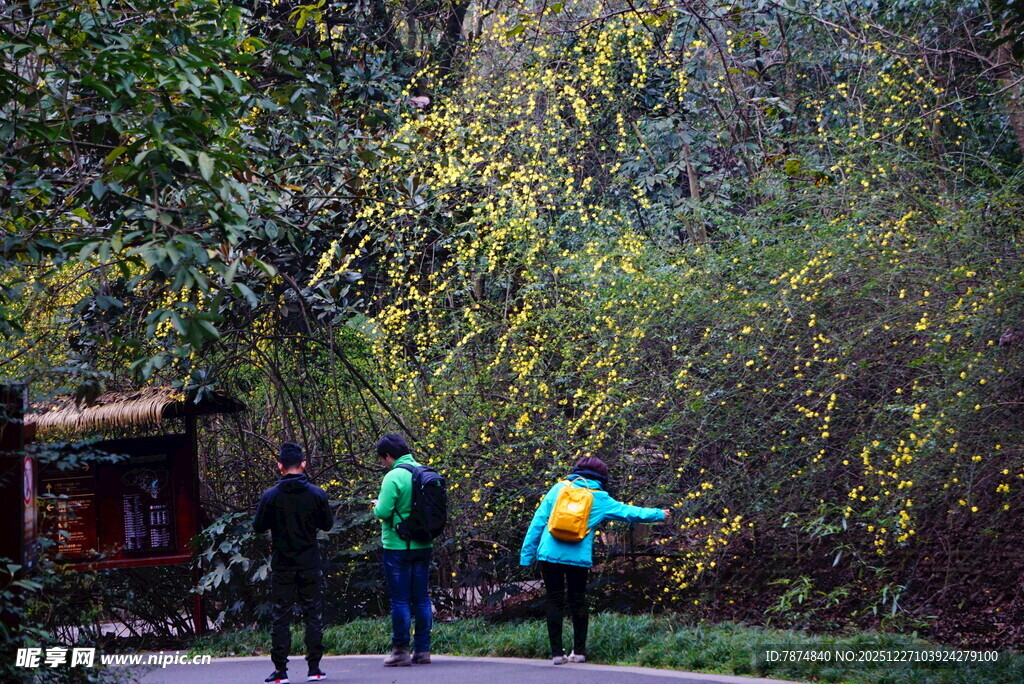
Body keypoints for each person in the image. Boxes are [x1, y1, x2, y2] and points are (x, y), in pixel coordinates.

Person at [520, 456, 671, 665]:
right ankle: (579, 652)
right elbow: (629, 512)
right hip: (577, 558)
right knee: (578, 601)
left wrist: (527, 556)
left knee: (554, 600)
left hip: (549, 555)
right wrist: (659, 514)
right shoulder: (599, 498)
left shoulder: (558, 489)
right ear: (602, 477)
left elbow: (538, 521)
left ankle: (556, 653)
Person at [254, 442, 333, 684]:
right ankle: (314, 668)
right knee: (313, 615)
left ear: (279, 466)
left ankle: (280, 670)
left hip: (282, 564)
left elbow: (258, 527)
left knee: (281, 616)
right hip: (309, 562)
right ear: (303, 464)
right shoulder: (317, 494)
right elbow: (327, 524)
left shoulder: (270, 497)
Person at [373, 433, 433, 666]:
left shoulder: (393, 476)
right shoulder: (425, 472)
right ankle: (423, 650)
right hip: (424, 544)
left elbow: (384, 512)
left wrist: (377, 506)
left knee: (399, 600)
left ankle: (400, 651)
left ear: (388, 456)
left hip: (397, 546)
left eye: (382, 459)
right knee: (421, 598)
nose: (383, 463)